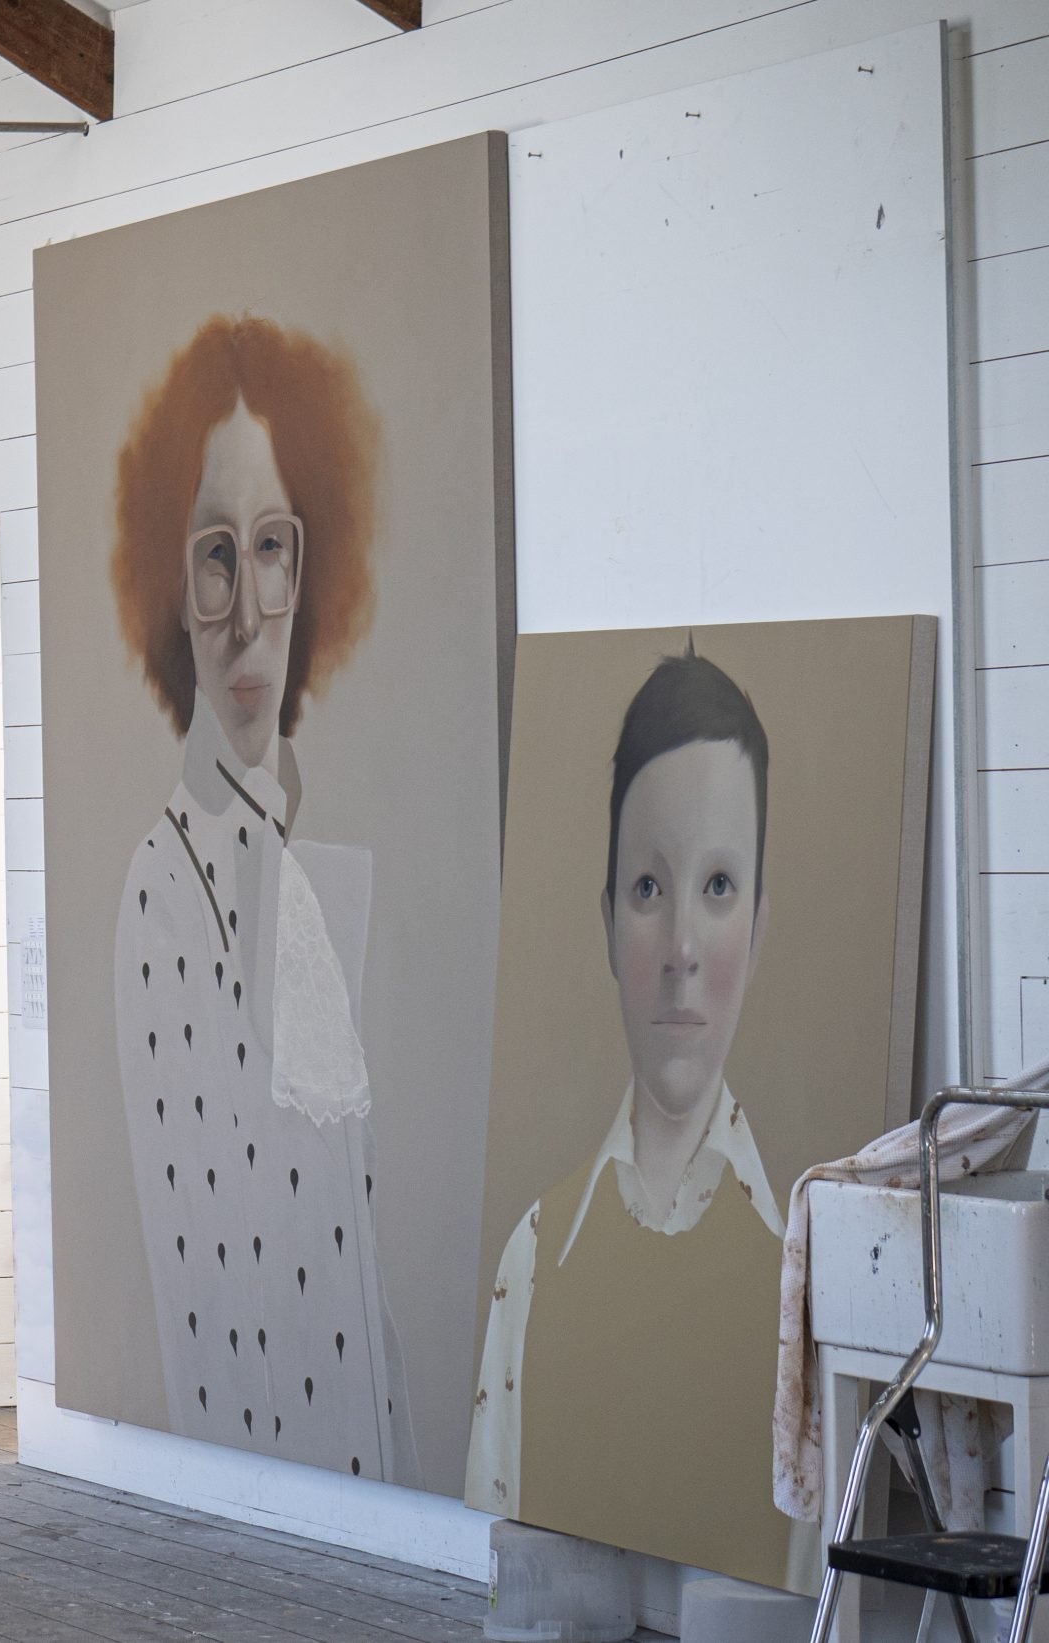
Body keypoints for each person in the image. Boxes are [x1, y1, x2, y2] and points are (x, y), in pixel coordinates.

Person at [108, 314, 418, 1483]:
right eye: (214, 553)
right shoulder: (162, 894)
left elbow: (359, 1253)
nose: (247, 611)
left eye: (273, 546)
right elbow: (206, 1296)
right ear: (171, 585)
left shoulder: (314, 880)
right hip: (270, 1505)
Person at [464, 650, 796, 1588]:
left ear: (759, 927)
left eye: (719, 887)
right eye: (649, 889)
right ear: (609, 919)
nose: (683, 949)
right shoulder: (533, 1262)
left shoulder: (798, 1280)